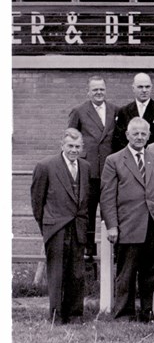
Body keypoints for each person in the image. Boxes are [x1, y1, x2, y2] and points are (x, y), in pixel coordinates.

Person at [101, 117, 154, 321]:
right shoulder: (114, 160)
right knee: (127, 272)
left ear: (149, 135)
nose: (140, 137)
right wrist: (112, 226)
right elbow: (107, 196)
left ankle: (149, 311)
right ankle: (124, 313)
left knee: (151, 272)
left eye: (143, 133)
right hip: (128, 225)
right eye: (136, 133)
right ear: (127, 135)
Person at [30, 129, 92, 323]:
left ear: (82, 148)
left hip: (78, 226)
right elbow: (37, 201)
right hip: (56, 227)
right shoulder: (46, 166)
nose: (74, 150)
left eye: (77, 147)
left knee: (77, 272)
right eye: (70, 146)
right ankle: (56, 314)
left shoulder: (85, 167)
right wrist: (47, 225)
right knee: (57, 272)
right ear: (62, 146)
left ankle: (74, 314)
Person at [67, 75, 117, 258]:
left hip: (110, 172)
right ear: (88, 92)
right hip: (88, 172)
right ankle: (88, 254)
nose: (99, 92)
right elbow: (71, 136)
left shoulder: (114, 110)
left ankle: (112, 254)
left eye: (101, 89)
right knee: (87, 214)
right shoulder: (79, 111)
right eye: (95, 89)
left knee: (110, 213)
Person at [112, 72, 154, 151]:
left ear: (151, 87)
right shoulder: (124, 111)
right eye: (140, 87)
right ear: (133, 88)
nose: (144, 90)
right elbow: (119, 139)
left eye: (147, 87)